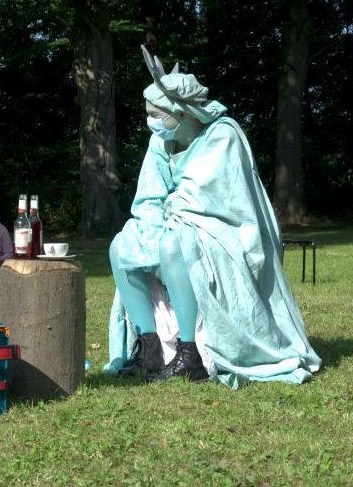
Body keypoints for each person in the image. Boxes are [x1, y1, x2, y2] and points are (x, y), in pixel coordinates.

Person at [105, 46, 321, 387]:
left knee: (173, 245)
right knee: (120, 245)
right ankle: (150, 348)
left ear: (185, 113)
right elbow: (148, 197)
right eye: (149, 114)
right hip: (174, 222)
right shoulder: (160, 143)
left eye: (158, 115)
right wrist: (151, 221)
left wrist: (165, 219)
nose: (152, 122)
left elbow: (204, 198)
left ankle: (189, 353)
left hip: (227, 232)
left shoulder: (223, 134)